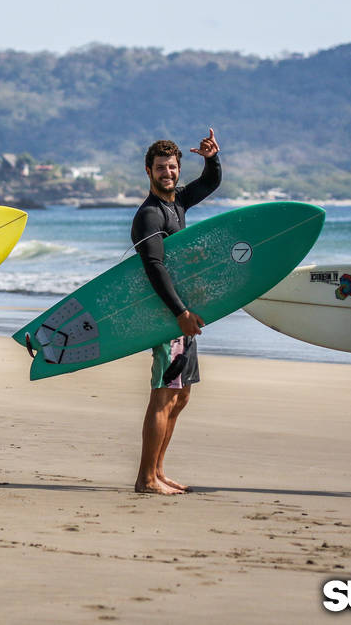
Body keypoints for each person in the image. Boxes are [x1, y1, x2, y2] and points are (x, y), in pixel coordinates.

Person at [131, 129, 221, 494]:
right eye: (160, 168)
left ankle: (159, 469)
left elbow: (210, 182)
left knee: (181, 395)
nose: (167, 172)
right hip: (169, 315)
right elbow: (155, 267)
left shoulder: (177, 203)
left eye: (172, 167)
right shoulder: (150, 215)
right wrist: (180, 312)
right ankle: (146, 478)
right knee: (164, 394)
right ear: (148, 171)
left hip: (183, 317)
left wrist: (212, 158)